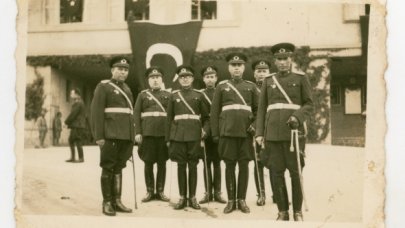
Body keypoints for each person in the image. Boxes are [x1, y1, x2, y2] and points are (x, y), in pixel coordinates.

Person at [255, 43, 313, 221]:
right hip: (272, 134)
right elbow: (262, 109)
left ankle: (297, 211)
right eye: (279, 59)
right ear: (275, 61)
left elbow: (309, 104)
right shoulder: (268, 81)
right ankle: (282, 211)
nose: (282, 62)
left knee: (296, 173)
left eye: (285, 58)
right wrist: (259, 133)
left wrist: (297, 116)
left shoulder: (301, 78)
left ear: (291, 59)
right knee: (276, 172)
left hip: (294, 135)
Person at [210, 53, 259, 214]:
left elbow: (259, 111)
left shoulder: (251, 87)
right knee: (229, 166)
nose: (236, 68)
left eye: (239, 65)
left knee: (244, 166)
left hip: (246, 133)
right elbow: (215, 112)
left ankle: (242, 200)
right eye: (233, 65)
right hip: (227, 133)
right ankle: (231, 201)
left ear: (244, 67)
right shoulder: (221, 86)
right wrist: (216, 134)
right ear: (229, 68)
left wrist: (255, 125)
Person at [90, 56, 134, 216]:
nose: (123, 72)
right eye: (120, 69)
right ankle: (107, 202)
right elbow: (96, 113)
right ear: (112, 70)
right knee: (108, 167)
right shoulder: (104, 86)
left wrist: (131, 136)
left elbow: (129, 114)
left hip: (124, 136)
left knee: (119, 167)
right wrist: (99, 136)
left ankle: (117, 200)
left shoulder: (127, 88)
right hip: (110, 135)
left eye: (126, 69)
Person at [166, 65, 210, 210]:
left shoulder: (199, 95)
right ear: (179, 80)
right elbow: (169, 119)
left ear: (192, 79)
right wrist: (168, 138)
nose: (185, 79)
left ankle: (192, 197)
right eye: (182, 77)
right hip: (178, 136)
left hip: (194, 135)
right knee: (180, 166)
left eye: (188, 77)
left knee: (193, 166)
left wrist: (205, 130)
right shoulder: (173, 96)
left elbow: (206, 117)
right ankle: (182, 197)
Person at [133, 66, 170, 203]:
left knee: (162, 163)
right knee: (148, 163)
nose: (155, 80)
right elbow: (136, 115)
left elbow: (171, 116)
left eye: (157, 78)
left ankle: (160, 191)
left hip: (163, 134)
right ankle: (149, 191)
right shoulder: (142, 95)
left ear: (161, 80)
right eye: (152, 78)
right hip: (147, 134)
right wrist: (138, 132)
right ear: (148, 81)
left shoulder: (168, 95)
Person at [198, 66, 226, 205]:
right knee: (206, 162)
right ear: (203, 79)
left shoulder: (221, 92)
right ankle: (208, 192)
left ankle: (218, 193)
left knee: (218, 162)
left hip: (219, 131)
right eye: (207, 76)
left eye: (212, 76)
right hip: (205, 132)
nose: (210, 79)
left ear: (216, 78)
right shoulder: (200, 94)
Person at [251, 60, 277, 206]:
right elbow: (251, 111)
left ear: (269, 73)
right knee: (258, 162)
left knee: (274, 162)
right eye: (259, 71)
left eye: (264, 71)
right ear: (254, 74)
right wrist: (255, 126)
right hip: (257, 130)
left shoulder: (274, 87)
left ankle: (276, 194)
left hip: (273, 129)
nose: (261, 74)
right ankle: (261, 194)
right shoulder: (250, 88)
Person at [65, 88, 87, 163]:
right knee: (71, 140)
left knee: (77, 141)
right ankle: (73, 157)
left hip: (78, 125)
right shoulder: (79, 102)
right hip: (77, 125)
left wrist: (66, 122)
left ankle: (81, 158)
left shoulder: (78, 103)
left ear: (77, 94)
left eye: (72, 93)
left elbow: (73, 114)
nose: (71, 95)